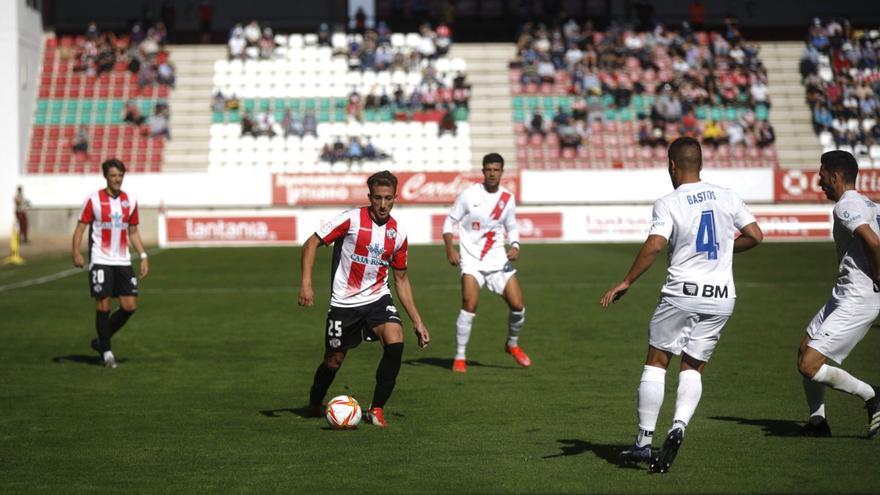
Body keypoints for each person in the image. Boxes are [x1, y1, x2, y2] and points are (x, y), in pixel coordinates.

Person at [600, 137, 763, 473]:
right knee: (693, 366)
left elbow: (655, 245)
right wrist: (727, 252)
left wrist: (627, 281)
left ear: (671, 165)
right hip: (722, 297)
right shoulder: (728, 195)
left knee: (657, 361)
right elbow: (755, 235)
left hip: (682, 292)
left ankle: (644, 444)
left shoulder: (669, 201)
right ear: (700, 163)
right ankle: (678, 428)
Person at [299, 171, 430, 427]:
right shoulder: (350, 220)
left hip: (377, 298)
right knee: (333, 361)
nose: (383, 204)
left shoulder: (398, 234)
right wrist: (306, 283)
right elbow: (311, 244)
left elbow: (401, 280)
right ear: (370, 197)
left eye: (388, 198)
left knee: (395, 342)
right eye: (378, 198)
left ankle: (377, 409)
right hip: (344, 304)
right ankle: (315, 401)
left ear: (395, 198)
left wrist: (417, 320)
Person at [793, 150, 880, 439]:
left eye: (822, 177)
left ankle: (872, 396)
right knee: (804, 350)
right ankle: (818, 423)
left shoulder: (846, 206)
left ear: (835, 176)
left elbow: (872, 242)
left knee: (809, 365)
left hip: (858, 298)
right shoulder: (870, 204)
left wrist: (878, 275)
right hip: (844, 294)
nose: (820, 183)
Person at [442, 153, 530, 373]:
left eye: (496, 169)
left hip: (498, 262)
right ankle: (460, 356)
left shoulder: (507, 199)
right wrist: (450, 248)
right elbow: (449, 221)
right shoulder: (468, 195)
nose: (492, 173)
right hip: (472, 261)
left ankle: (512, 344)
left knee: (518, 307)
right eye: (488, 169)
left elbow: (511, 226)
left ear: (502, 172)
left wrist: (516, 245)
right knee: (469, 306)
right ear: (483, 171)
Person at [71, 159, 149, 369]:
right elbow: (80, 228)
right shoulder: (93, 200)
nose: (117, 179)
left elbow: (132, 231)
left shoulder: (130, 201)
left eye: (120, 175)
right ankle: (106, 352)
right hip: (100, 259)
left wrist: (143, 256)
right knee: (103, 304)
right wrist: (76, 252)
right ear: (105, 176)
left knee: (129, 306)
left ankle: (100, 340)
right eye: (113, 175)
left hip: (122, 260)